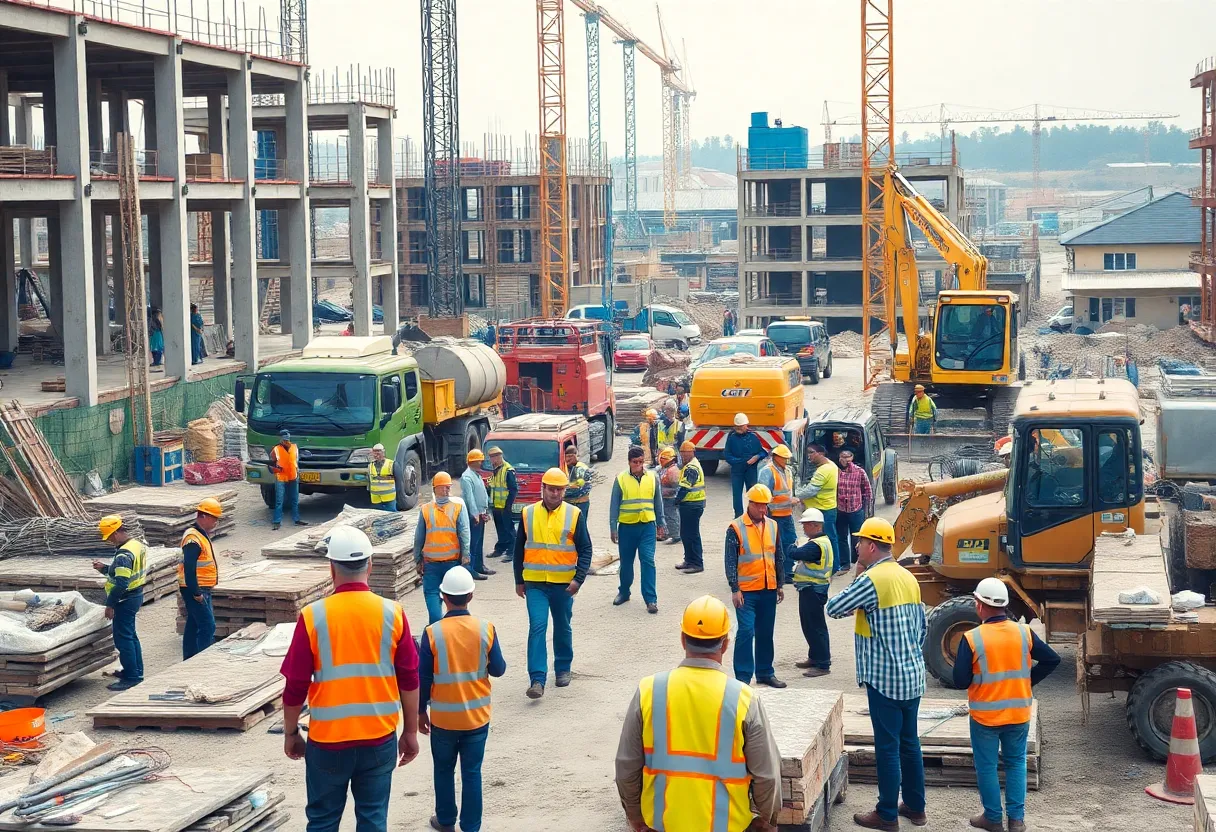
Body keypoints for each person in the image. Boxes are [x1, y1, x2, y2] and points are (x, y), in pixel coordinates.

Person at [280, 525, 420, 832]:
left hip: (328, 742)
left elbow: (295, 686)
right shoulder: (393, 613)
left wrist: (291, 733)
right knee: (373, 820)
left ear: (331, 568)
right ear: (370, 565)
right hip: (378, 740)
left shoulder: (313, 616)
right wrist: (410, 731)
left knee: (323, 822)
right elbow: (410, 679)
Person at [614, 595, 782, 832]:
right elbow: (767, 774)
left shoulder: (649, 690)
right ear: (725, 644)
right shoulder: (743, 698)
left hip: (662, 825)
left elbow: (626, 765)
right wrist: (766, 819)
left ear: (683, 639)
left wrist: (635, 817)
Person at [826, 517, 927, 832]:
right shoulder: (908, 577)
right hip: (912, 675)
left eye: (860, 541)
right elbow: (922, 628)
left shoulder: (870, 580)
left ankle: (886, 813)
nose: (856, 546)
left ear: (871, 546)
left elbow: (834, 607)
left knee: (887, 747)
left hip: (885, 680)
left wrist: (857, 576)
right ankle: (915, 807)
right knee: (909, 743)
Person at [956, 578, 1060, 832]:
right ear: (1004, 605)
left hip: (985, 717)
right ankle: (1016, 820)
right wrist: (1027, 681)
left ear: (979, 605)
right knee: (1016, 764)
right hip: (1018, 713)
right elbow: (1052, 659)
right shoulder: (1024, 633)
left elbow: (960, 680)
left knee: (987, 767)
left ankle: (993, 818)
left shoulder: (972, 638)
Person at [419, 566, 506, 832]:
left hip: (444, 720)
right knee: (472, 773)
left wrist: (420, 712)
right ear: (471, 595)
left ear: (443, 596)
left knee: (443, 770)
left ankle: (445, 821)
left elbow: (424, 678)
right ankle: (471, 826)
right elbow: (498, 669)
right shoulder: (485, 629)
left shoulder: (432, 633)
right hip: (476, 719)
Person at [515, 468, 594, 700]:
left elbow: (585, 549)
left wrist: (578, 579)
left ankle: (562, 669)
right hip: (535, 584)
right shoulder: (528, 513)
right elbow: (519, 549)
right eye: (551, 489)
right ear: (543, 489)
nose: (555, 494)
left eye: (559, 490)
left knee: (562, 626)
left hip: (563, 586)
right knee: (537, 626)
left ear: (564, 491)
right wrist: (519, 580)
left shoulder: (574, 514)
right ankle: (537, 679)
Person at [724, 484, 786, 689]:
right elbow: (730, 560)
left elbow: (778, 555)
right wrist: (735, 588)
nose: (762, 509)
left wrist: (780, 584)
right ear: (749, 504)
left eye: (765, 506)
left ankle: (765, 672)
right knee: (746, 631)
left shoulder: (773, 526)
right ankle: (743, 677)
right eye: (759, 505)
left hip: (768, 588)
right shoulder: (735, 528)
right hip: (746, 592)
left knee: (766, 632)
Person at [611, 446, 666, 614]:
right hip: (627, 527)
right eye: (635, 462)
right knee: (626, 563)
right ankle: (624, 592)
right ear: (629, 462)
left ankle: (651, 599)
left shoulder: (652, 477)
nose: (638, 465)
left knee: (648, 560)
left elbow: (658, 502)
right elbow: (614, 505)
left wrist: (661, 523)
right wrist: (613, 527)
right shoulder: (621, 479)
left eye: (641, 462)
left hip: (647, 526)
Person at [94, 515, 146, 690]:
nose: (109, 540)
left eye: (109, 537)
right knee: (131, 636)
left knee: (123, 639)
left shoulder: (123, 554)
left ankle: (132, 677)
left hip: (125, 599)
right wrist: (105, 569)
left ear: (116, 533)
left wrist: (110, 605)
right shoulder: (135, 545)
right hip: (135, 595)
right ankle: (136, 671)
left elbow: (122, 582)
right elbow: (124, 572)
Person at [416, 472, 471, 625]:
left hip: (445, 563)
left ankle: (436, 630)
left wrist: (466, 554)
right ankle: (446, 628)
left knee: (435, 595)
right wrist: (418, 559)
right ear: (435, 489)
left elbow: (464, 533)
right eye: (444, 487)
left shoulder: (454, 508)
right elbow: (419, 537)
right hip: (438, 564)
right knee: (452, 597)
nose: (447, 490)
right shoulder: (427, 509)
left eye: (448, 487)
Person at [789, 507, 834, 678]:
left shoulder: (815, 545)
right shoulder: (822, 541)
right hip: (813, 588)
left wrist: (793, 545)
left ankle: (822, 663)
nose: (803, 527)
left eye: (806, 524)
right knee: (810, 625)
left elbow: (794, 553)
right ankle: (814, 656)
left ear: (816, 525)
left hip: (813, 589)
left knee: (815, 627)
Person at [176, 498, 223, 660]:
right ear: (203, 516)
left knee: (194, 624)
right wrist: (196, 592)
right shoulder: (193, 538)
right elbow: (189, 567)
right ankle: (202, 661)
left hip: (201, 587)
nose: (216, 522)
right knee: (207, 626)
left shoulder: (200, 535)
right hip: (195, 588)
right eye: (214, 518)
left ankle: (189, 659)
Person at [757, 444, 798, 584]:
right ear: (776, 457)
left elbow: (788, 491)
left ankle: (787, 572)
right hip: (773, 514)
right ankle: (776, 572)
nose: (786, 460)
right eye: (784, 458)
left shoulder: (788, 471)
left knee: (790, 542)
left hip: (786, 514)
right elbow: (764, 495)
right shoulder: (767, 471)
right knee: (775, 545)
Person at [800, 443, 840, 569]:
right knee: (829, 538)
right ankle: (831, 564)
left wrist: (797, 497)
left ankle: (833, 566)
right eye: (808, 453)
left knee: (827, 538)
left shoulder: (824, 470)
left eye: (812, 452)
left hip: (823, 509)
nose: (809, 456)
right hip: (826, 507)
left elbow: (811, 490)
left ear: (821, 454)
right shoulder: (831, 465)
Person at [835, 448, 873, 574]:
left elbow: (868, 491)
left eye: (847, 457)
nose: (845, 460)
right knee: (841, 537)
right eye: (842, 457)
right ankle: (845, 564)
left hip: (856, 509)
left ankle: (856, 561)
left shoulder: (859, 472)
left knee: (856, 537)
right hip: (840, 510)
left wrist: (867, 510)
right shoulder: (836, 472)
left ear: (852, 458)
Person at [724, 412, 767, 517]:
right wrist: (739, 461)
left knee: (753, 493)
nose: (739, 429)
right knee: (737, 495)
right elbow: (727, 455)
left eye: (741, 426)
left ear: (746, 425)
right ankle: (738, 516)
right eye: (737, 427)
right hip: (737, 470)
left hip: (751, 470)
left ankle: (752, 515)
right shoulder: (732, 438)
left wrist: (756, 457)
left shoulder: (753, 437)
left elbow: (763, 452)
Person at [460, 449, 493, 581]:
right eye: (479, 461)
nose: (481, 463)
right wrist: (475, 514)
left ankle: (479, 565)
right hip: (474, 516)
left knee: (479, 542)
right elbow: (470, 498)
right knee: (473, 543)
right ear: (473, 462)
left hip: (481, 513)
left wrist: (486, 510)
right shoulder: (466, 477)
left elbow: (482, 493)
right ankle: (471, 569)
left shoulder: (477, 475)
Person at [674, 440, 706, 573]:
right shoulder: (689, 465)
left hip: (692, 505)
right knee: (686, 534)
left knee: (692, 535)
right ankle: (688, 560)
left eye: (685, 453)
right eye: (682, 453)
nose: (683, 456)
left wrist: (676, 500)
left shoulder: (691, 467)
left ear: (691, 453)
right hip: (690, 504)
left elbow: (685, 487)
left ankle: (697, 563)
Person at [269, 429, 306, 531]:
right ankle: (277, 521)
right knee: (279, 500)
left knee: (295, 499)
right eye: (284, 438)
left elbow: (296, 460)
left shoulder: (294, 447)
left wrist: (297, 471)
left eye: (287, 438)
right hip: (281, 476)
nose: (286, 440)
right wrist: (275, 469)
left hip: (293, 476)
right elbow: (272, 462)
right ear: (280, 439)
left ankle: (296, 519)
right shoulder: (276, 449)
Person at [486, 447, 518, 564]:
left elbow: (513, 489)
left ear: (499, 457)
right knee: (500, 529)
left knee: (509, 529)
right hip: (496, 506)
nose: (491, 460)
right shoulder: (496, 469)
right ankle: (500, 549)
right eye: (490, 458)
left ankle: (512, 552)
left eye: (493, 457)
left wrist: (508, 505)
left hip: (505, 506)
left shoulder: (508, 470)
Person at [657, 447, 682, 545]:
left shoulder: (673, 471)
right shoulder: (665, 469)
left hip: (670, 499)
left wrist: (668, 492)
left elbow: (677, 487)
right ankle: (667, 533)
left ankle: (675, 535)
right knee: (666, 516)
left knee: (671, 517)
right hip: (665, 498)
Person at [562, 443, 593, 521]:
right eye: (566, 457)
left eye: (569, 457)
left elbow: (577, 488)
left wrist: (561, 492)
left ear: (574, 456)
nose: (567, 460)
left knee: (579, 526)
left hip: (579, 504)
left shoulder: (580, 468)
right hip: (574, 503)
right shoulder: (569, 468)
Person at [366, 443, 399, 512]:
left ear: (383, 452)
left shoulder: (391, 464)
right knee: (377, 515)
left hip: (389, 496)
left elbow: (399, 480)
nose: (376, 454)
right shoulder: (370, 466)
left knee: (391, 515)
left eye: (378, 451)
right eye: (374, 452)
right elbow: (369, 481)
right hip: (376, 498)